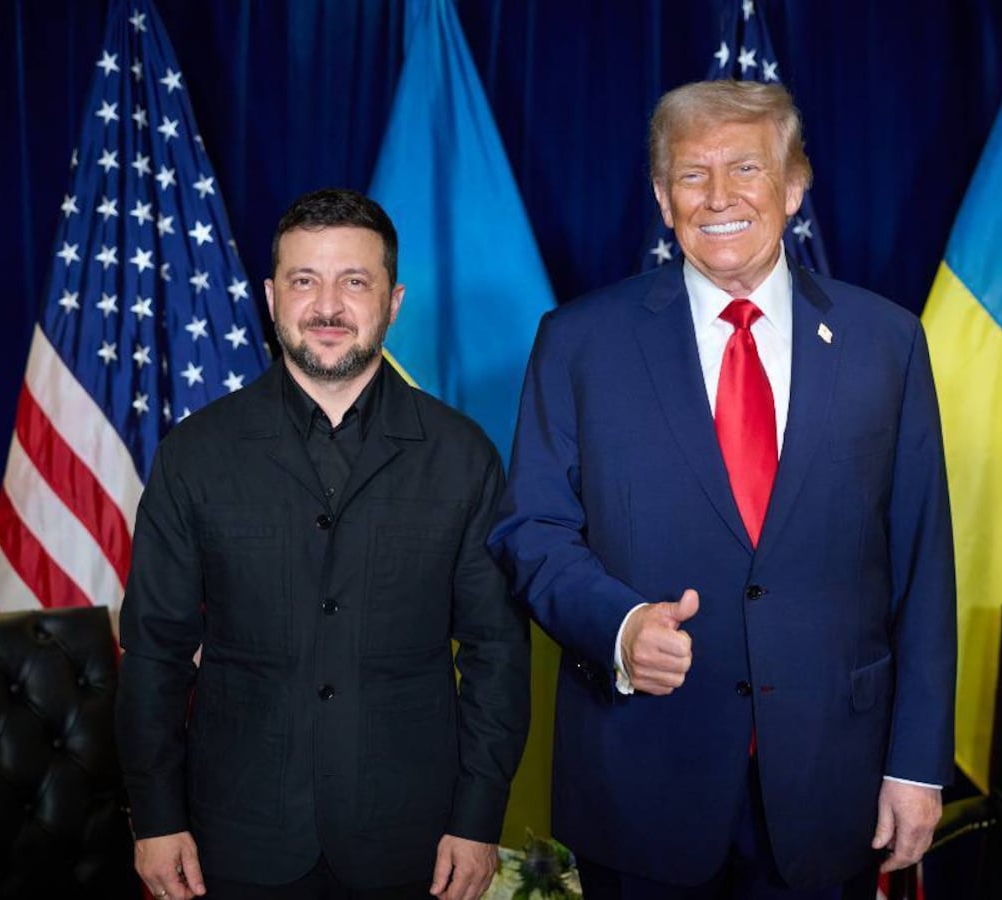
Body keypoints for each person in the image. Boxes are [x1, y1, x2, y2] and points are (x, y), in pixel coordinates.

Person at [489, 81, 956, 899]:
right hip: (641, 778)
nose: (718, 197)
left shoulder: (887, 342)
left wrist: (917, 766)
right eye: (691, 174)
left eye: (746, 168)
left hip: (831, 784)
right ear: (662, 196)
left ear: (794, 187)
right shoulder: (579, 342)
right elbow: (532, 530)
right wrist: (620, 627)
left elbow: (923, 564)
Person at [117, 188, 531, 900]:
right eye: (305, 280)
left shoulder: (464, 457)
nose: (328, 306)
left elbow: (497, 653)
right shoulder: (195, 454)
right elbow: (155, 649)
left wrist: (478, 818)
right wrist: (155, 816)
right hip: (236, 836)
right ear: (271, 296)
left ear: (393, 302)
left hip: (415, 840)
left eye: (355, 282)